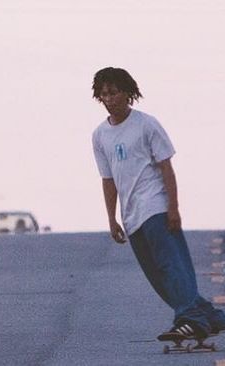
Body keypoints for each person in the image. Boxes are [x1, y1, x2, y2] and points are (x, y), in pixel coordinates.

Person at [91, 67, 225, 340]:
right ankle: (211, 317)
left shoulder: (146, 124)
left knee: (171, 266)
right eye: (104, 94)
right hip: (131, 216)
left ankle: (189, 319)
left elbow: (166, 168)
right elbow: (108, 180)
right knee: (157, 276)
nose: (109, 98)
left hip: (155, 206)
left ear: (128, 93)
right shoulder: (99, 135)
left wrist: (173, 208)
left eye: (114, 92)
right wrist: (112, 218)